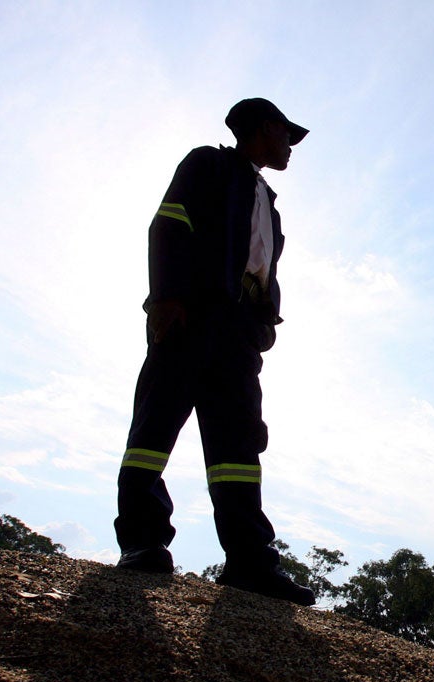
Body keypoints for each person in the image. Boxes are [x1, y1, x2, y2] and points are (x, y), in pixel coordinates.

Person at [114, 98, 314, 606]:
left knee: (238, 450)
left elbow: (262, 267)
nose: (290, 146)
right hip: (190, 317)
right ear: (266, 129)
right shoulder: (207, 163)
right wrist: (164, 300)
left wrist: (263, 325)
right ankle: (142, 543)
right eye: (285, 135)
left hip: (238, 335)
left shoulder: (267, 199)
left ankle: (249, 562)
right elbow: (168, 224)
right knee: (154, 429)